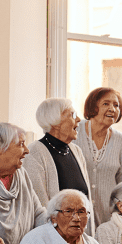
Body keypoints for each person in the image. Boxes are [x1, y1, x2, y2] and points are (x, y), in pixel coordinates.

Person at [24, 97, 94, 233]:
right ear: (55, 122)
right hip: (55, 239)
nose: (79, 119)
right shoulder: (35, 152)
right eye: (73, 115)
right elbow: (39, 205)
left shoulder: (76, 151)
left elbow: (86, 201)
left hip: (79, 237)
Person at [77, 87, 122, 228]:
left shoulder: (120, 141)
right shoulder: (75, 132)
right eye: (106, 104)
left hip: (109, 220)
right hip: (76, 217)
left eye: (116, 105)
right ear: (93, 107)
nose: (112, 109)